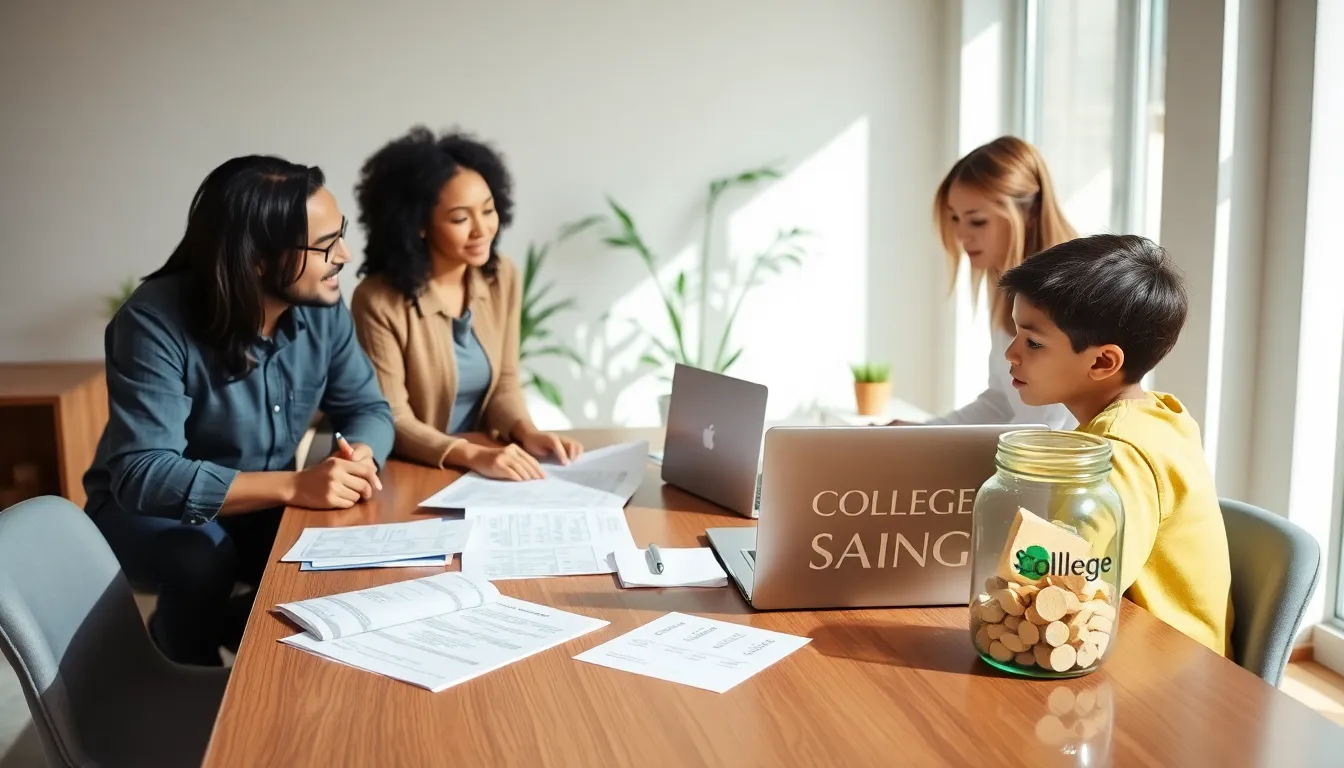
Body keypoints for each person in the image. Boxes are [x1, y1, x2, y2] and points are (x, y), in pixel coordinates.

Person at [84, 156, 394, 666]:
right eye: (325, 245)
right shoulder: (151, 322)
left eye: (340, 233)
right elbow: (145, 475)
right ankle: (187, 673)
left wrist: (360, 457)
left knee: (347, 557)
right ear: (256, 259)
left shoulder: (322, 307)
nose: (344, 255)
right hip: (142, 513)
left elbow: (367, 407)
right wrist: (294, 486)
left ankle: (235, 636)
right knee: (202, 557)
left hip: (262, 502)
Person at [998, 233, 1231, 655]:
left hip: (1163, 668)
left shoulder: (1119, 452)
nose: (1011, 353)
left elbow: (1071, 591)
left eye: (1033, 342)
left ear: (1103, 362)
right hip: (1143, 648)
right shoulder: (1157, 415)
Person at [351, 126, 582, 478]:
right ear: (418, 225)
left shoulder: (501, 276)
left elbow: (505, 382)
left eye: (488, 210)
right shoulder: (378, 300)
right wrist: (472, 455)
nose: (481, 229)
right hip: (412, 470)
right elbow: (392, 416)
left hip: (482, 469)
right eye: (460, 218)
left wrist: (526, 432)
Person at [911, 136, 1080, 429]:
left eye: (977, 221)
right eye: (955, 218)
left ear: (1030, 212)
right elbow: (1002, 401)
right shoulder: (1012, 289)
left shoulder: (1063, 291)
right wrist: (923, 432)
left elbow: (1044, 426)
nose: (961, 235)